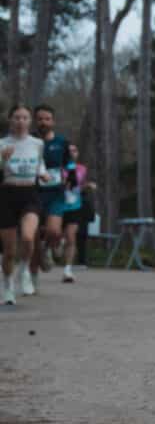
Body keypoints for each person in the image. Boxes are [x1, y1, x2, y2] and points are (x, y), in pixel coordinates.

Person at [2, 104, 46, 307]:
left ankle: (25, 269)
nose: (21, 121)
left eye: (25, 118)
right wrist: (3, 161)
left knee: (29, 236)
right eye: (17, 117)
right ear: (10, 120)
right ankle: (8, 286)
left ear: (30, 121)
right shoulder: (2, 144)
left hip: (29, 194)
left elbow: (40, 163)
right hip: (7, 195)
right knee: (9, 251)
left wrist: (43, 173)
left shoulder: (37, 143)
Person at [30, 103, 71, 278]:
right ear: (35, 121)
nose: (43, 122)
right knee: (33, 236)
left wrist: (70, 178)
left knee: (54, 230)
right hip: (34, 193)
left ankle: (50, 245)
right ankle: (32, 277)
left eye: (47, 119)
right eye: (40, 119)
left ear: (53, 121)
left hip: (55, 192)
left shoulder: (61, 142)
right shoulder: (30, 141)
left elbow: (69, 164)